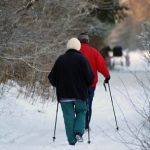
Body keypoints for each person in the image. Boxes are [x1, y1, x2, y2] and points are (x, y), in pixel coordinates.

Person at [48, 38, 94, 145]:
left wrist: (58, 85)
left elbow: (51, 78)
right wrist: (86, 86)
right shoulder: (82, 59)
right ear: (78, 47)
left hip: (64, 95)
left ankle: (71, 140)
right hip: (80, 94)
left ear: (68, 46)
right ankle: (78, 132)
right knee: (81, 111)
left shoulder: (60, 59)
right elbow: (90, 78)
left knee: (68, 116)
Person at [78, 32, 111, 130]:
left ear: (78, 41)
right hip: (91, 84)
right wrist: (107, 76)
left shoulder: (75, 51)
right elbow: (101, 65)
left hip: (77, 84)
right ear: (87, 40)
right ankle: (86, 125)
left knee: (79, 103)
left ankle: (78, 124)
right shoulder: (94, 52)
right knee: (88, 103)